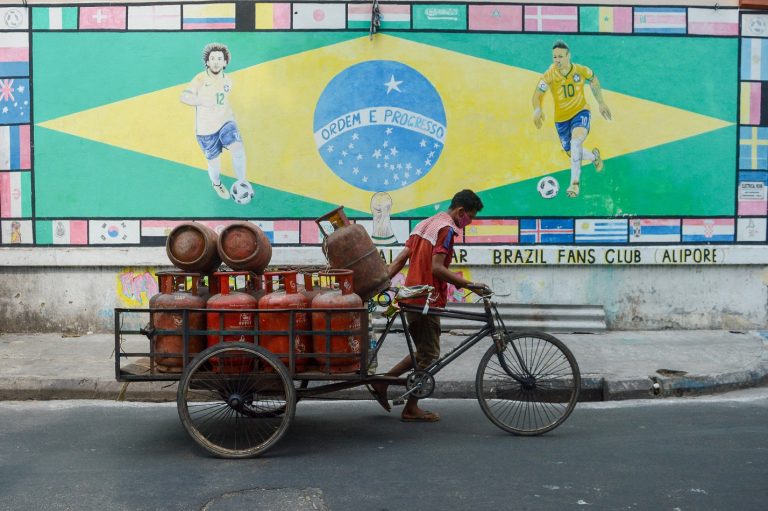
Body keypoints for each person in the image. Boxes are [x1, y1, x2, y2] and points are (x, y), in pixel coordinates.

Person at [370, 189, 489, 422]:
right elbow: (437, 268)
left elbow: (400, 260)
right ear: (461, 211)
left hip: (411, 298)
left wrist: (379, 285)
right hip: (427, 300)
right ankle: (411, 408)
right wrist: (470, 285)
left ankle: (382, 382)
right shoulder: (446, 229)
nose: (469, 222)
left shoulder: (425, 225)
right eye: (470, 217)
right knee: (430, 354)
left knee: (424, 351)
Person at [532, 40, 611, 198]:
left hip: (580, 112)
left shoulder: (580, 70)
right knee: (571, 152)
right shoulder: (549, 74)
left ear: (569, 56)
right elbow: (537, 94)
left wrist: (601, 103)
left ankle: (574, 184)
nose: (557, 60)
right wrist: (537, 109)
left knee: (575, 142)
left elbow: (594, 79)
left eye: (560, 56)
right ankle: (594, 158)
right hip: (561, 120)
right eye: (554, 57)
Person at [180, 42, 247, 200]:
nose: (216, 62)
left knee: (238, 149)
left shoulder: (228, 80)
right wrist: (200, 101)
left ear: (225, 62)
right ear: (207, 62)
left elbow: (224, 101)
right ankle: (217, 184)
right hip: (206, 130)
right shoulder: (200, 78)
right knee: (214, 163)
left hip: (225, 123)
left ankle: (242, 182)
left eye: (219, 59)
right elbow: (184, 96)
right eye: (212, 59)